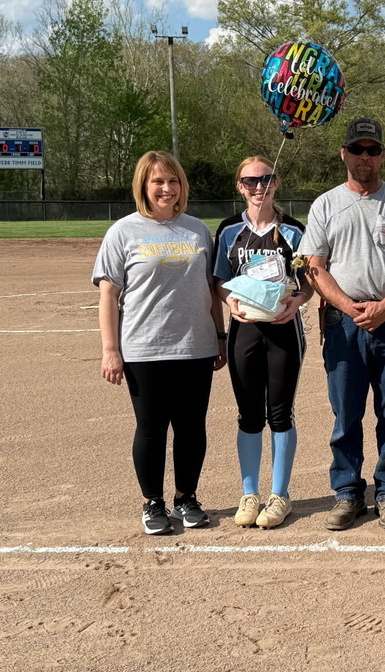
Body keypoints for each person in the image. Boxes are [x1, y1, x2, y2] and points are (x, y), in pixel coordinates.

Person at [298, 117, 385, 531]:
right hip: (344, 322)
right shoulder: (325, 204)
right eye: (358, 150)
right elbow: (314, 266)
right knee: (346, 413)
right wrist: (350, 307)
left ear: (383, 156)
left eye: (373, 150)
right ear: (344, 154)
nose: (365, 158)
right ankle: (348, 493)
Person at [93, 150, 226, 535]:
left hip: (195, 346)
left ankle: (187, 498)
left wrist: (219, 334)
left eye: (173, 181)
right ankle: (153, 503)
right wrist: (110, 349)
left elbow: (210, 289)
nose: (167, 188)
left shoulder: (198, 230)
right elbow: (108, 296)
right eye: (158, 182)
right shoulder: (123, 231)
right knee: (151, 428)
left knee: (191, 427)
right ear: (144, 187)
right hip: (144, 348)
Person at [214, 157, 312, 529]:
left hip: (284, 331)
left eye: (266, 179)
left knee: (280, 413)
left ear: (277, 182)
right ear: (240, 186)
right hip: (245, 332)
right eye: (250, 180)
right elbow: (220, 281)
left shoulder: (293, 231)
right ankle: (250, 492)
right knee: (249, 414)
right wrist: (230, 302)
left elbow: (308, 282)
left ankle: (279, 495)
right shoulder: (227, 231)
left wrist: (296, 304)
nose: (259, 187)